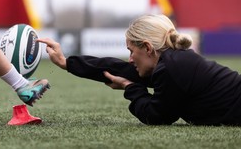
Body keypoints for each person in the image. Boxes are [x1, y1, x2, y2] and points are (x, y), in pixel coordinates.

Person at [38, 14, 241, 126]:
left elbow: (156, 117)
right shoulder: (170, 61)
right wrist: (67, 63)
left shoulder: (170, 68)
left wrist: (130, 87)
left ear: (147, 47)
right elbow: (117, 68)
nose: (130, 58)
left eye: (131, 51)